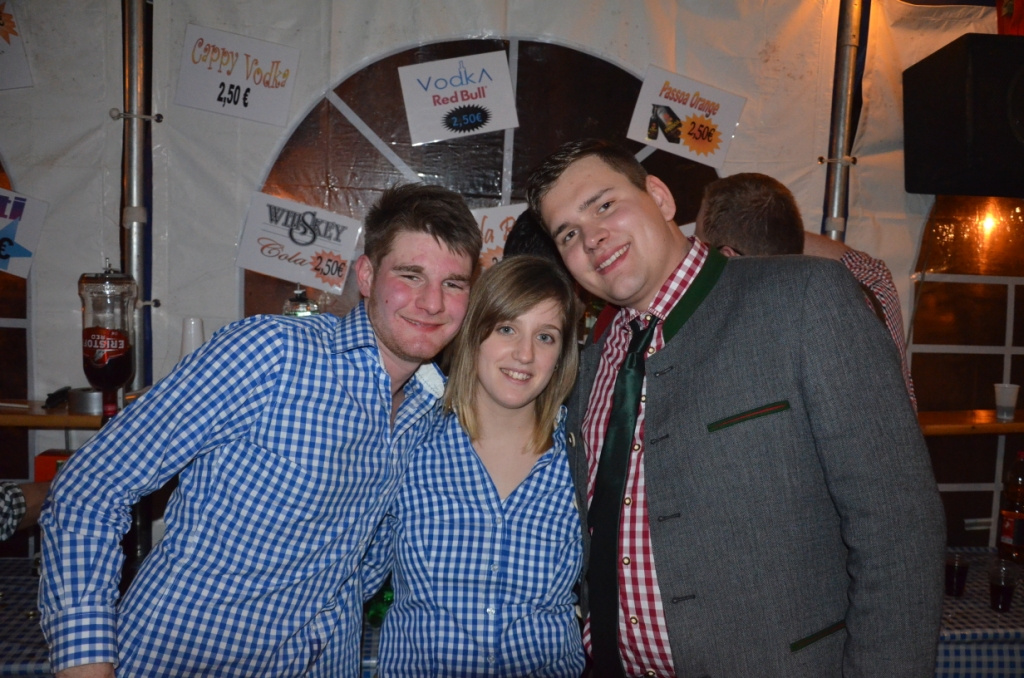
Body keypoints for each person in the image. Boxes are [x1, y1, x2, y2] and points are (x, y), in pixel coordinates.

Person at [526, 139, 945, 677]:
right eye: (568, 233)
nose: (591, 238)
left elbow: (900, 528)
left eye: (604, 205)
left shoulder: (805, 299)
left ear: (660, 196)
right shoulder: (590, 363)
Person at [38, 183, 482, 678]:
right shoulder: (272, 354)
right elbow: (89, 488)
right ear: (366, 275)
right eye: (411, 275)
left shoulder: (431, 407)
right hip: (187, 661)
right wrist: (85, 661)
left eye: (453, 284)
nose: (431, 303)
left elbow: (368, 558)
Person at [363, 255, 586, 677]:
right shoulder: (412, 443)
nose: (524, 354)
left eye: (545, 337)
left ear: (562, 354)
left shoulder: (581, 457)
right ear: (473, 333)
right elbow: (351, 575)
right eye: (506, 329)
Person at [694, 172, 917, 409]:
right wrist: (770, 229)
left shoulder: (744, 342)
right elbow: (864, 265)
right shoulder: (869, 288)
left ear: (728, 256)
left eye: (700, 242)